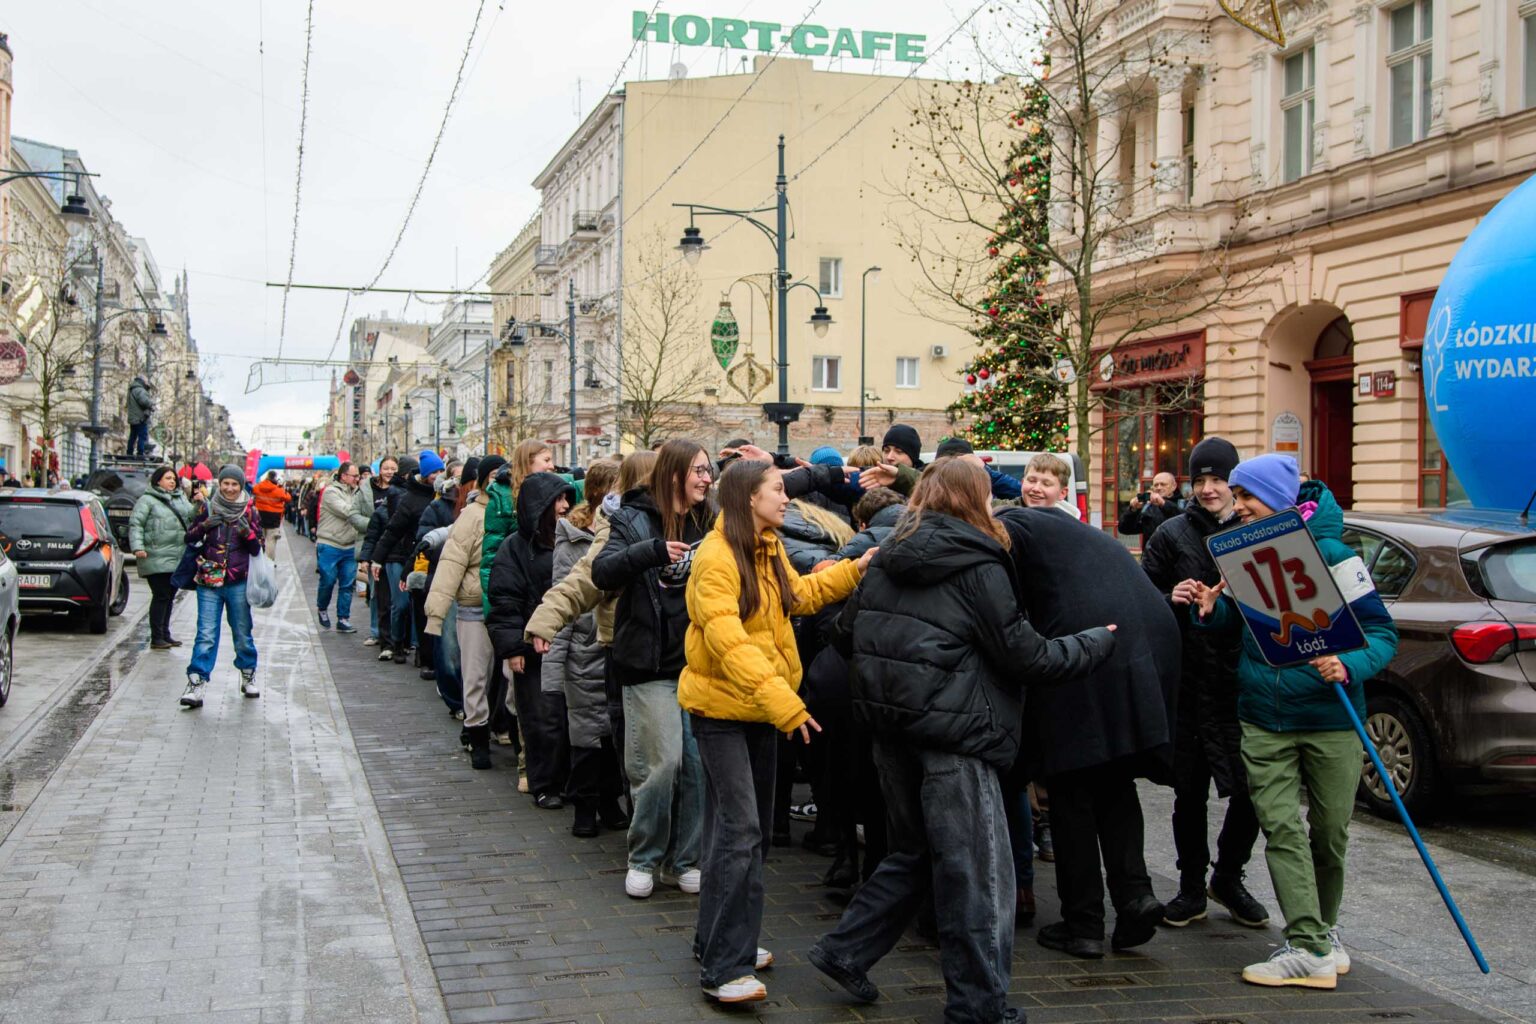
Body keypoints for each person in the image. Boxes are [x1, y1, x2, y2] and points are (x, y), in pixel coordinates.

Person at [809, 457, 1114, 1024]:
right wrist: (1094, 643)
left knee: (917, 853)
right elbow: (1025, 655)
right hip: (956, 736)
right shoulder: (981, 565)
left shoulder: (885, 559)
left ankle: (845, 949)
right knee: (977, 874)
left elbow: (844, 633)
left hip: (892, 734)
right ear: (977, 499)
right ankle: (979, 1006)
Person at [1186, 454, 1398, 990]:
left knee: (1328, 834)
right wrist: (1213, 610)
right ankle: (1306, 946)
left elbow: (1381, 634)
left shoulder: (1335, 555)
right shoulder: (1243, 555)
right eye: (1237, 499)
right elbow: (1252, 628)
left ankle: (1324, 932)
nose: (1240, 508)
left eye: (1248, 497)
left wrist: (1348, 664)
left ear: (1280, 500)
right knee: (1281, 829)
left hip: (1330, 717)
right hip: (1263, 717)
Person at [681, 459, 871, 1004]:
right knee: (741, 835)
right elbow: (729, 644)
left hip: (757, 713)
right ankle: (724, 968)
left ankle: (718, 939)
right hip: (723, 715)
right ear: (748, 500)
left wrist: (858, 566)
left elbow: (801, 596)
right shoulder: (716, 559)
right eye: (777, 490)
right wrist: (786, 705)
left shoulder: (765, 548)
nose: (786, 499)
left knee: (745, 835)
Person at [994, 500, 1178, 961]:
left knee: (1071, 788)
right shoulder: (1062, 530)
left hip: (1087, 652)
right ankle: (1135, 897)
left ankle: (1084, 924)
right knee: (1115, 779)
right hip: (1141, 647)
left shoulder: (1010, 529)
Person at [1140, 437, 1269, 931]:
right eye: (1202, 481)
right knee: (1188, 790)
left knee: (1252, 787)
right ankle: (1191, 885)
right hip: (1188, 683)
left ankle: (1229, 876)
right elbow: (1143, 596)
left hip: (1243, 681)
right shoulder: (1171, 533)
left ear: (1235, 485)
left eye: (1219, 480)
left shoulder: (1256, 530)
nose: (1210, 489)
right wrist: (1168, 596)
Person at [591, 439, 713, 900]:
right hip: (648, 661)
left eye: (709, 470)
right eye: (699, 470)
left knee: (698, 767)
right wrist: (653, 551)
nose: (706, 478)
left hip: (698, 662)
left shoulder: (711, 518)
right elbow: (602, 573)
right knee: (663, 765)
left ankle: (683, 860)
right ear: (675, 473)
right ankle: (644, 856)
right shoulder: (631, 516)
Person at [537, 456, 626, 838]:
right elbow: (563, 598)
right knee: (587, 733)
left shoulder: (624, 530)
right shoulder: (571, 539)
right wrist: (553, 673)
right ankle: (585, 806)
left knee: (612, 733)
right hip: (583, 651)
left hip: (613, 645)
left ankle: (609, 800)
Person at [487, 471, 579, 809]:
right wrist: (513, 648)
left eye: (567, 499)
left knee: (571, 718)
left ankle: (571, 781)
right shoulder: (514, 549)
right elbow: (504, 600)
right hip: (532, 648)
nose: (565, 506)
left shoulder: (571, 540)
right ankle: (545, 784)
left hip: (569, 645)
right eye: (557, 500)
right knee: (541, 721)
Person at [425, 456, 506, 769]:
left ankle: (496, 727)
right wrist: (436, 614)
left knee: (505, 678)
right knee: (475, 677)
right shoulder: (472, 516)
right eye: (494, 475)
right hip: (474, 605)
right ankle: (478, 737)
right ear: (484, 479)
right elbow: (452, 563)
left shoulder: (514, 511)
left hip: (506, 606)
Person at [180, 465, 264, 708]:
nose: (229, 488)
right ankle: (196, 683)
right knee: (205, 633)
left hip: (238, 580)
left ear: (240, 486)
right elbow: (190, 537)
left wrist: (247, 533)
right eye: (225, 483)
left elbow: (258, 549)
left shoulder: (250, 511)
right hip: (209, 579)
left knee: (242, 632)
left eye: (234, 484)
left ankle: (248, 674)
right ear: (220, 484)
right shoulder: (207, 507)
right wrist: (205, 525)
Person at [370, 452, 443, 664]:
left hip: (436, 561)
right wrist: (376, 558)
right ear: (425, 474)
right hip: (409, 557)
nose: (438, 476)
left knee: (427, 607)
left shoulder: (445, 495)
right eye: (434, 472)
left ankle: (423, 651)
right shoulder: (410, 498)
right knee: (404, 605)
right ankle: (398, 643)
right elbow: (393, 530)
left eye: (441, 471)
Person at [128, 464, 194, 650]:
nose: (172, 481)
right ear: (158, 480)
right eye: (168, 478)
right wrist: (137, 547)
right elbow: (136, 525)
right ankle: (157, 637)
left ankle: (165, 634)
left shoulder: (180, 498)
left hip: (177, 556)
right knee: (161, 595)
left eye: (174, 478)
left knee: (169, 595)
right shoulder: (147, 500)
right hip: (155, 555)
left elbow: (192, 517)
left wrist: (198, 503)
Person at [315, 461, 370, 633]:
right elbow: (348, 511)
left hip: (349, 546)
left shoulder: (358, 492)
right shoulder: (331, 492)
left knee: (347, 584)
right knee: (328, 581)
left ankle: (343, 618)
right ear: (344, 476)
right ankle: (322, 608)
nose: (357, 478)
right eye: (354, 476)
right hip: (330, 544)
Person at [1117, 471, 1183, 547]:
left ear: (1174, 486)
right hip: (1151, 556)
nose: (1159, 488)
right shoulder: (1148, 507)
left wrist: (1163, 504)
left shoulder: (1183, 504)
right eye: (1156, 485)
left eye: (1163, 484)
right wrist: (1133, 510)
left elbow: (1184, 522)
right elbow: (1124, 528)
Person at [253, 470, 292, 557]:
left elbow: (253, 490)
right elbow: (288, 498)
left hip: (260, 515)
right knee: (271, 540)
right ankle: (269, 561)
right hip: (274, 517)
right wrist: (282, 488)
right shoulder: (279, 490)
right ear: (275, 478)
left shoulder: (258, 487)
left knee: (260, 538)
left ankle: (260, 558)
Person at [126, 375, 155, 458]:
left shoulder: (132, 390)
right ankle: (140, 453)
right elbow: (144, 401)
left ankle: (129, 452)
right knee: (142, 435)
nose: (147, 383)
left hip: (133, 418)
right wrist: (151, 404)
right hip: (140, 418)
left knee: (133, 436)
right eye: (146, 381)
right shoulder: (140, 390)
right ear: (142, 381)